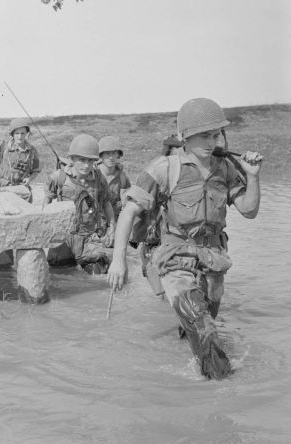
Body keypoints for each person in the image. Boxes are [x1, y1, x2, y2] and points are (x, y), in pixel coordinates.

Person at [107, 98, 263, 380]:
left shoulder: (225, 168)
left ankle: (196, 367)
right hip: (175, 257)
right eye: (203, 135)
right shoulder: (164, 168)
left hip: (213, 260)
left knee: (203, 322)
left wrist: (252, 177)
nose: (211, 141)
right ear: (183, 137)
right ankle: (220, 386)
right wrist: (118, 261)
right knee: (200, 322)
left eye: (215, 134)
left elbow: (249, 210)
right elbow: (129, 212)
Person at [43, 134, 116, 275]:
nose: (86, 165)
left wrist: (112, 226)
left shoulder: (98, 178)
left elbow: (106, 202)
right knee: (58, 275)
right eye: (82, 160)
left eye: (90, 161)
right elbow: (47, 201)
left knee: (100, 273)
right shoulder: (59, 177)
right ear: (72, 159)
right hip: (63, 237)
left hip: (88, 236)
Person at [0, 118, 40, 202]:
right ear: (12, 134)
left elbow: (35, 170)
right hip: (3, 188)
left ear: (27, 134)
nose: (20, 136)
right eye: (17, 133)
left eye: (23, 133)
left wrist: (30, 179)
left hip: (22, 190)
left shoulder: (32, 150)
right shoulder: (3, 146)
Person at [96, 136, 131, 222]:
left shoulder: (122, 177)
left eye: (114, 153)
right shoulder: (93, 175)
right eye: (107, 154)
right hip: (95, 221)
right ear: (101, 155)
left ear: (118, 155)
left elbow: (128, 200)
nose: (111, 157)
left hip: (115, 221)